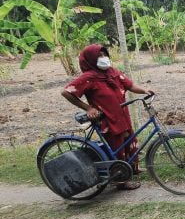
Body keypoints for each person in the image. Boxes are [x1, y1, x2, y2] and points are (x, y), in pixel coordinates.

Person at [62, 44, 154, 190]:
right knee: (117, 146)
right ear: (91, 60)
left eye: (104, 55)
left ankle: (131, 169)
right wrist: (88, 108)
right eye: (99, 56)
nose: (103, 58)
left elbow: (129, 85)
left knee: (129, 141)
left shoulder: (113, 73)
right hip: (107, 119)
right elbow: (67, 92)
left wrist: (144, 90)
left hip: (122, 115)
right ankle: (121, 181)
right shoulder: (88, 77)